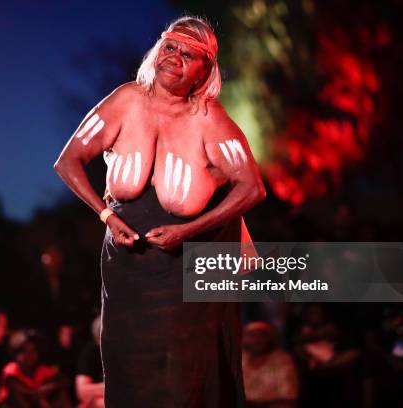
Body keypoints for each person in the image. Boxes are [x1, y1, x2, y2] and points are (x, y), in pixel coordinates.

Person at [54, 15, 265, 407]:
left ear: (205, 71)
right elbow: (68, 162)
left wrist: (190, 230)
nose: (175, 58)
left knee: (182, 380)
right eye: (171, 47)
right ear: (157, 49)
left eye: (189, 55)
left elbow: (251, 186)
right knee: (127, 373)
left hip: (183, 272)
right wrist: (106, 215)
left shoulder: (209, 119)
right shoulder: (126, 99)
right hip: (126, 268)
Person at [241, 322, 298, 408]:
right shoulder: (240, 359)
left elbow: (288, 399)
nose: (257, 340)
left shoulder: (283, 360)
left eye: (262, 335)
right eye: (252, 335)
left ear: (271, 338)